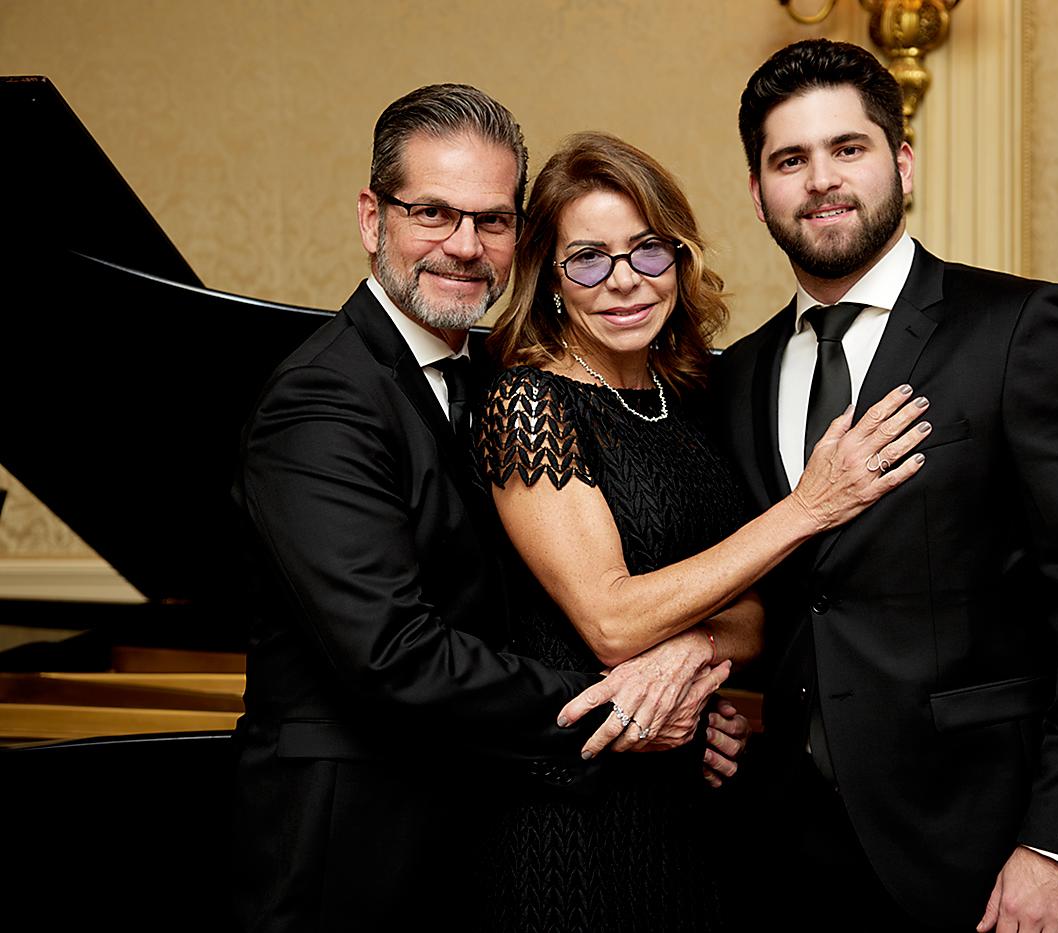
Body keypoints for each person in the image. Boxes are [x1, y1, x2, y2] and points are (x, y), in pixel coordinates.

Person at [229, 85, 741, 932]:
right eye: (433, 212)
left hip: (486, 815)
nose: (465, 246)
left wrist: (688, 674)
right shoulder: (320, 401)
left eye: (493, 220)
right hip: (349, 844)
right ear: (371, 217)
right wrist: (630, 710)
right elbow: (395, 655)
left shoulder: (485, 375)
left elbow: (514, 611)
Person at [712, 38, 1058, 932]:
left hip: (987, 843)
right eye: (789, 160)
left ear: (902, 164)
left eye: (850, 148)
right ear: (757, 192)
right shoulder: (738, 375)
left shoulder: (1021, 328)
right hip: (788, 844)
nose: (821, 180)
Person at [478, 130, 930, 931]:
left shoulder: (686, 395)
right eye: (588, 258)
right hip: (576, 809)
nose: (624, 283)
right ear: (548, 277)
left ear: (679, 259)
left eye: (647, 251)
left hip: (692, 794)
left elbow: (756, 613)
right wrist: (806, 509)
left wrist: (694, 651)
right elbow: (612, 619)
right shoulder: (529, 404)